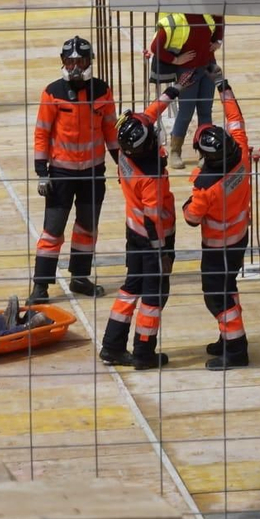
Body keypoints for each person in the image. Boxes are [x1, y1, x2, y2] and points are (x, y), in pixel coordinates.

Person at [31, 36, 117, 301]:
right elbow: (42, 133)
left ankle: (80, 278)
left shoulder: (102, 91)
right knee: (52, 230)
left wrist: (124, 165)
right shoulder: (52, 93)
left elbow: (111, 130)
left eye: (80, 62)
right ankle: (41, 286)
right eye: (70, 62)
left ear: (90, 61)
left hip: (93, 173)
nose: (75, 67)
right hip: (61, 174)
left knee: (87, 228)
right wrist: (42, 172)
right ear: (63, 62)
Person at [99, 87, 179, 370]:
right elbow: (153, 218)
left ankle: (111, 347)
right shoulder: (150, 177)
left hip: (133, 233)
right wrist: (162, 253)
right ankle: (144, 352)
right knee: (154, 297)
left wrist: (172, 91)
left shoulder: (125, 150)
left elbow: (149, 114)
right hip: (152, 240)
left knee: (130, 288)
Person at [181, 70, 254, 371]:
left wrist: (187, 204)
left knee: (217, 298)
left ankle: (236, 351)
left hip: (217, 249)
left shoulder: (206, 187)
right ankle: (228, 339)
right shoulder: (242, 154)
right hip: (239, 240)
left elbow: (191, 217)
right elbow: (235, 119)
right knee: (229, 287)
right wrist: (222, 85)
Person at [147, 12, 224, 169]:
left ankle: (205, 152)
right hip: (188, 71)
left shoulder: (206, 12)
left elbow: (219, 19)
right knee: (185, 112)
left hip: (208, 68)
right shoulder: (176, 20)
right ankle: (175, 151)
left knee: (205, 111)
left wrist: (218, 41)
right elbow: (155, 47)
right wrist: (175, 60)